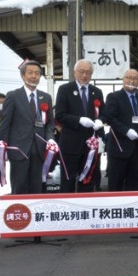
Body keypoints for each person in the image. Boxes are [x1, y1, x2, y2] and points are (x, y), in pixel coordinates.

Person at [0, 59, 55, 194]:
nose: (34, 76)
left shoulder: (45, 97)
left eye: (37, 73)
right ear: (23, 75)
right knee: (19, 187)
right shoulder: (13, 95)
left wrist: (50, 138)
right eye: (30, 72)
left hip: (39, 150)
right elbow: (5, 124)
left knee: (37, 188)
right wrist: (4, 149)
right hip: (18, 149)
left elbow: (49, 124)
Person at [54, 59, 105, 193]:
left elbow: (103, 113)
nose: (84, 75)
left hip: (90, 145)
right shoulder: (65, 89)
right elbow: (60, 114)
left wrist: (100, 120)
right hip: (70, 143)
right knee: (68, 180)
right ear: (75, 72)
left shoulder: (97, 92)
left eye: (88, 72)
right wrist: (78, 120)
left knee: (88, 178)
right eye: (82, 72)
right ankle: (67, 209)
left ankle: (86, 209)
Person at [102, 67, 138, 191]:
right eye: (129, 78)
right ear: (123, 79)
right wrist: (126, 131)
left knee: (135, 185)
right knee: (116, 185)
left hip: (137, 148)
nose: (132, 81)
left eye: (135, 79)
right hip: (119, 149)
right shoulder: (113, 97)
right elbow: (110, 118)